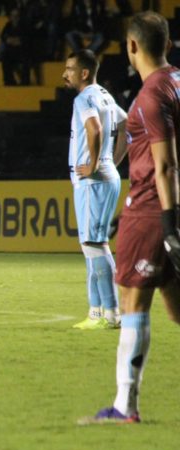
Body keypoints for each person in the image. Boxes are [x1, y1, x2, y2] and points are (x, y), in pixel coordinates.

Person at [79, 12, 180, 425]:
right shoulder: (176, 82)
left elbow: (165, 165)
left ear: (132, 47)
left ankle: (125, 406)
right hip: (169, 208)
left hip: (154, 209)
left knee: (133, 301)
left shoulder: (151, 96)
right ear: (168, 45)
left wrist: (169, 226)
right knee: (177, 308)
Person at [63, 49, 127, 331]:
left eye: (70, 69)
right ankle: (97, 311)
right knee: (92, 244)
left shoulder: (85, 98)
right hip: (105, 176)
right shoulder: (106, 96)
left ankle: (111, 313)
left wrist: (92, 164)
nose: (65, 74)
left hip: (93, 181)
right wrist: (112, 161)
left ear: (84, 72)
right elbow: (126, 125)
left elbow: (94, 129)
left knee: (95, 245)